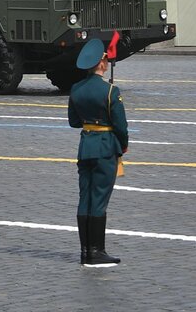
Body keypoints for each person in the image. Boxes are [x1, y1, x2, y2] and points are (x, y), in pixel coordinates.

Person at [68, 38, 129, 267]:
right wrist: (122, 145)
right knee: (99, 199)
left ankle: (85, 251)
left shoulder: (76, 89)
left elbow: (74, 122)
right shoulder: (110, 91)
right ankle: (96, 252)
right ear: (101, 63)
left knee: (85, 198)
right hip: (105, 148)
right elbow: (121, 126)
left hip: (85, 147)